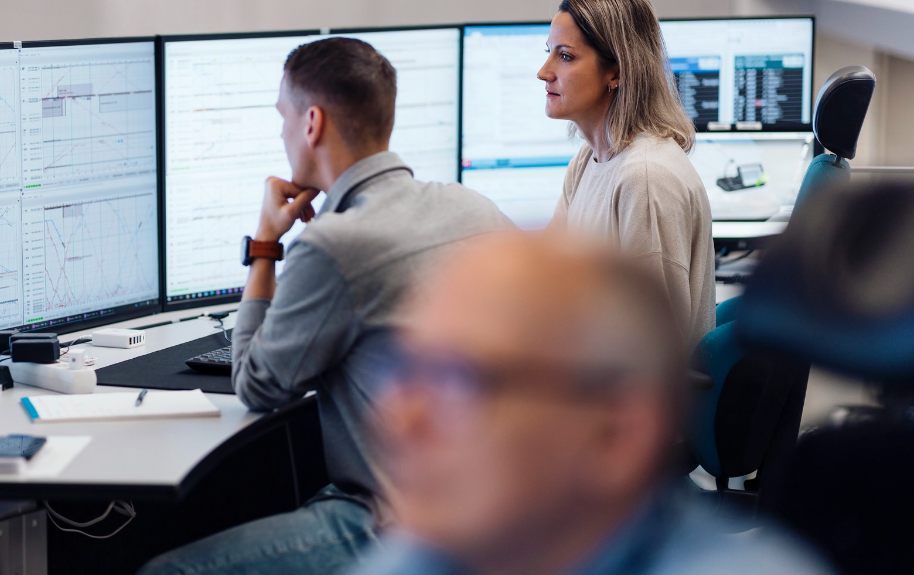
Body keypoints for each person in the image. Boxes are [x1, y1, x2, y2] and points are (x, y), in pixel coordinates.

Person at [136, 38, 513, 575]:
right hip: (501, 508)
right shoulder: (473, 208)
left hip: (404, 523)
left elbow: (257, 385)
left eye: (282, 118)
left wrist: (267, 244)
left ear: (311, 123)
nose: (283, 133)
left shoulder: (336, 244)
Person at [350, 231, 835, 575]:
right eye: (404, 368)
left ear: (617, 433)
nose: (396, 418)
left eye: (458, 381)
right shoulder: (430, 554)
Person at [540, 0, 715, 345]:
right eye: (549, 54)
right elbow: (546, 278)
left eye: (566, 57)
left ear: (616, 73)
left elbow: (654, 345)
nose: (544, 72)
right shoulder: (587, 161)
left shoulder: (645, 179)